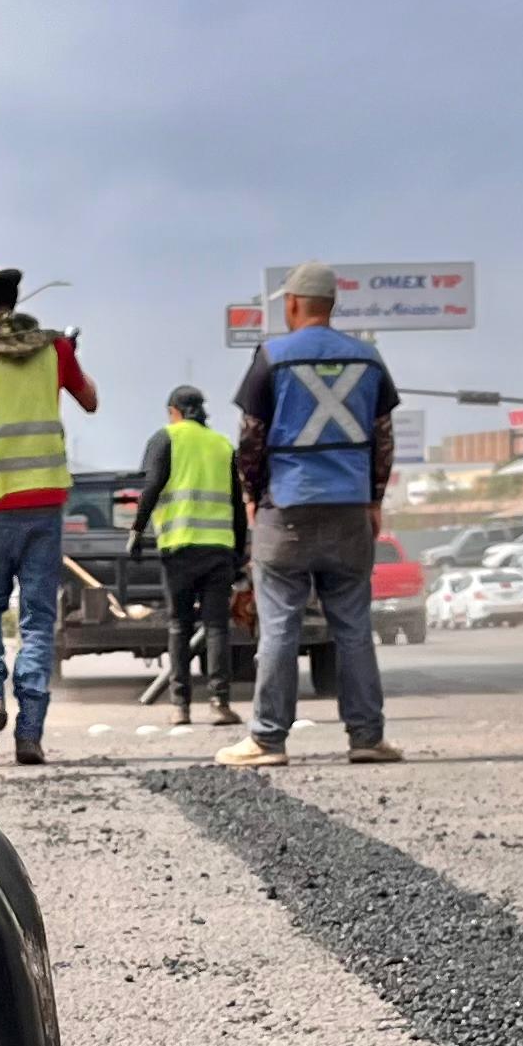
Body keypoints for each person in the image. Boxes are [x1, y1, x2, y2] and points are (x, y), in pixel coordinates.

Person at [221, 264, 400, 766]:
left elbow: (250, 438)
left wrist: (254, 497)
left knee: (280, 625)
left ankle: (268, 740)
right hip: (349, 510)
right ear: (332, 305)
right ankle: (367, 737)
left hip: (288, 508)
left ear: (294, 304)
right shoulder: (369, 359)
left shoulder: (271, 357)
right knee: (353, 626)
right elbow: (383, 437)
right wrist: (374, 500)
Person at [0, 261, 97, 765]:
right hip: (46, 505)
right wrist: (68, 360)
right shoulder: (53, 348)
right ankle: (30, 732)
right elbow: (91, 400)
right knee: (37, 619)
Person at [131, 382, 242, 729]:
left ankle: (181, 706)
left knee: (179, 626)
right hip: (220, 548)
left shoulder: (166, 438)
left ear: (173, 411)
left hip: (179, 547)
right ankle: (220, 702)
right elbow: (238, 503)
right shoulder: (222, 444)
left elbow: (151, 486)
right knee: (217, 628)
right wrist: (241, 551)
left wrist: (137, 529)